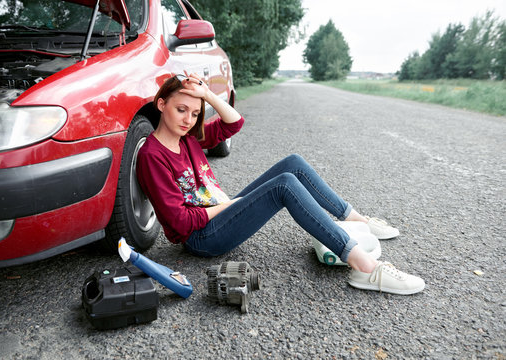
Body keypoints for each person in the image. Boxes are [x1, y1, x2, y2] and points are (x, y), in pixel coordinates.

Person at [136, 74, 425, 295]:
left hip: (220, 211)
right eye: (181, 110)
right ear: (162, 105)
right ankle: (365, 267)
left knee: (293, 163)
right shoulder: (152, 156)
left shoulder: (187, 138)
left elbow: (233, 124)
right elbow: (181, 223)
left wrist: (208, 94)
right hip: (202, 237)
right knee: (283, 185)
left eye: (195, 114)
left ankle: (358, 220)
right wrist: (231, 205)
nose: (188, 120)